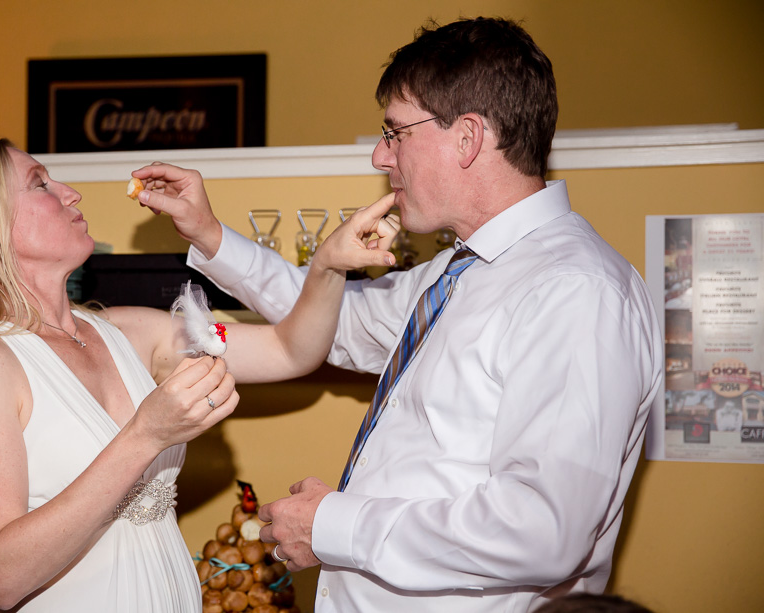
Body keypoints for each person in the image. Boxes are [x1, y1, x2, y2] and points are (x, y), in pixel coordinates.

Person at [132, 16, 664, 613]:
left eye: (396, 132)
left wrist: (334, 527)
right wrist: (210, 235)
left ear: (467, 138)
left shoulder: (575, 293)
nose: (381, 155)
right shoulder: (453, 272)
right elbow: (330, 322)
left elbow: (541, 530)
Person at [0, 139, 397, 612]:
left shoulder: (131, 331)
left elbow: (291, 349)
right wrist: (146, 434)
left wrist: (328, 266)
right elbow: (2, 578)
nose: (69, 193)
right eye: (39, 184)